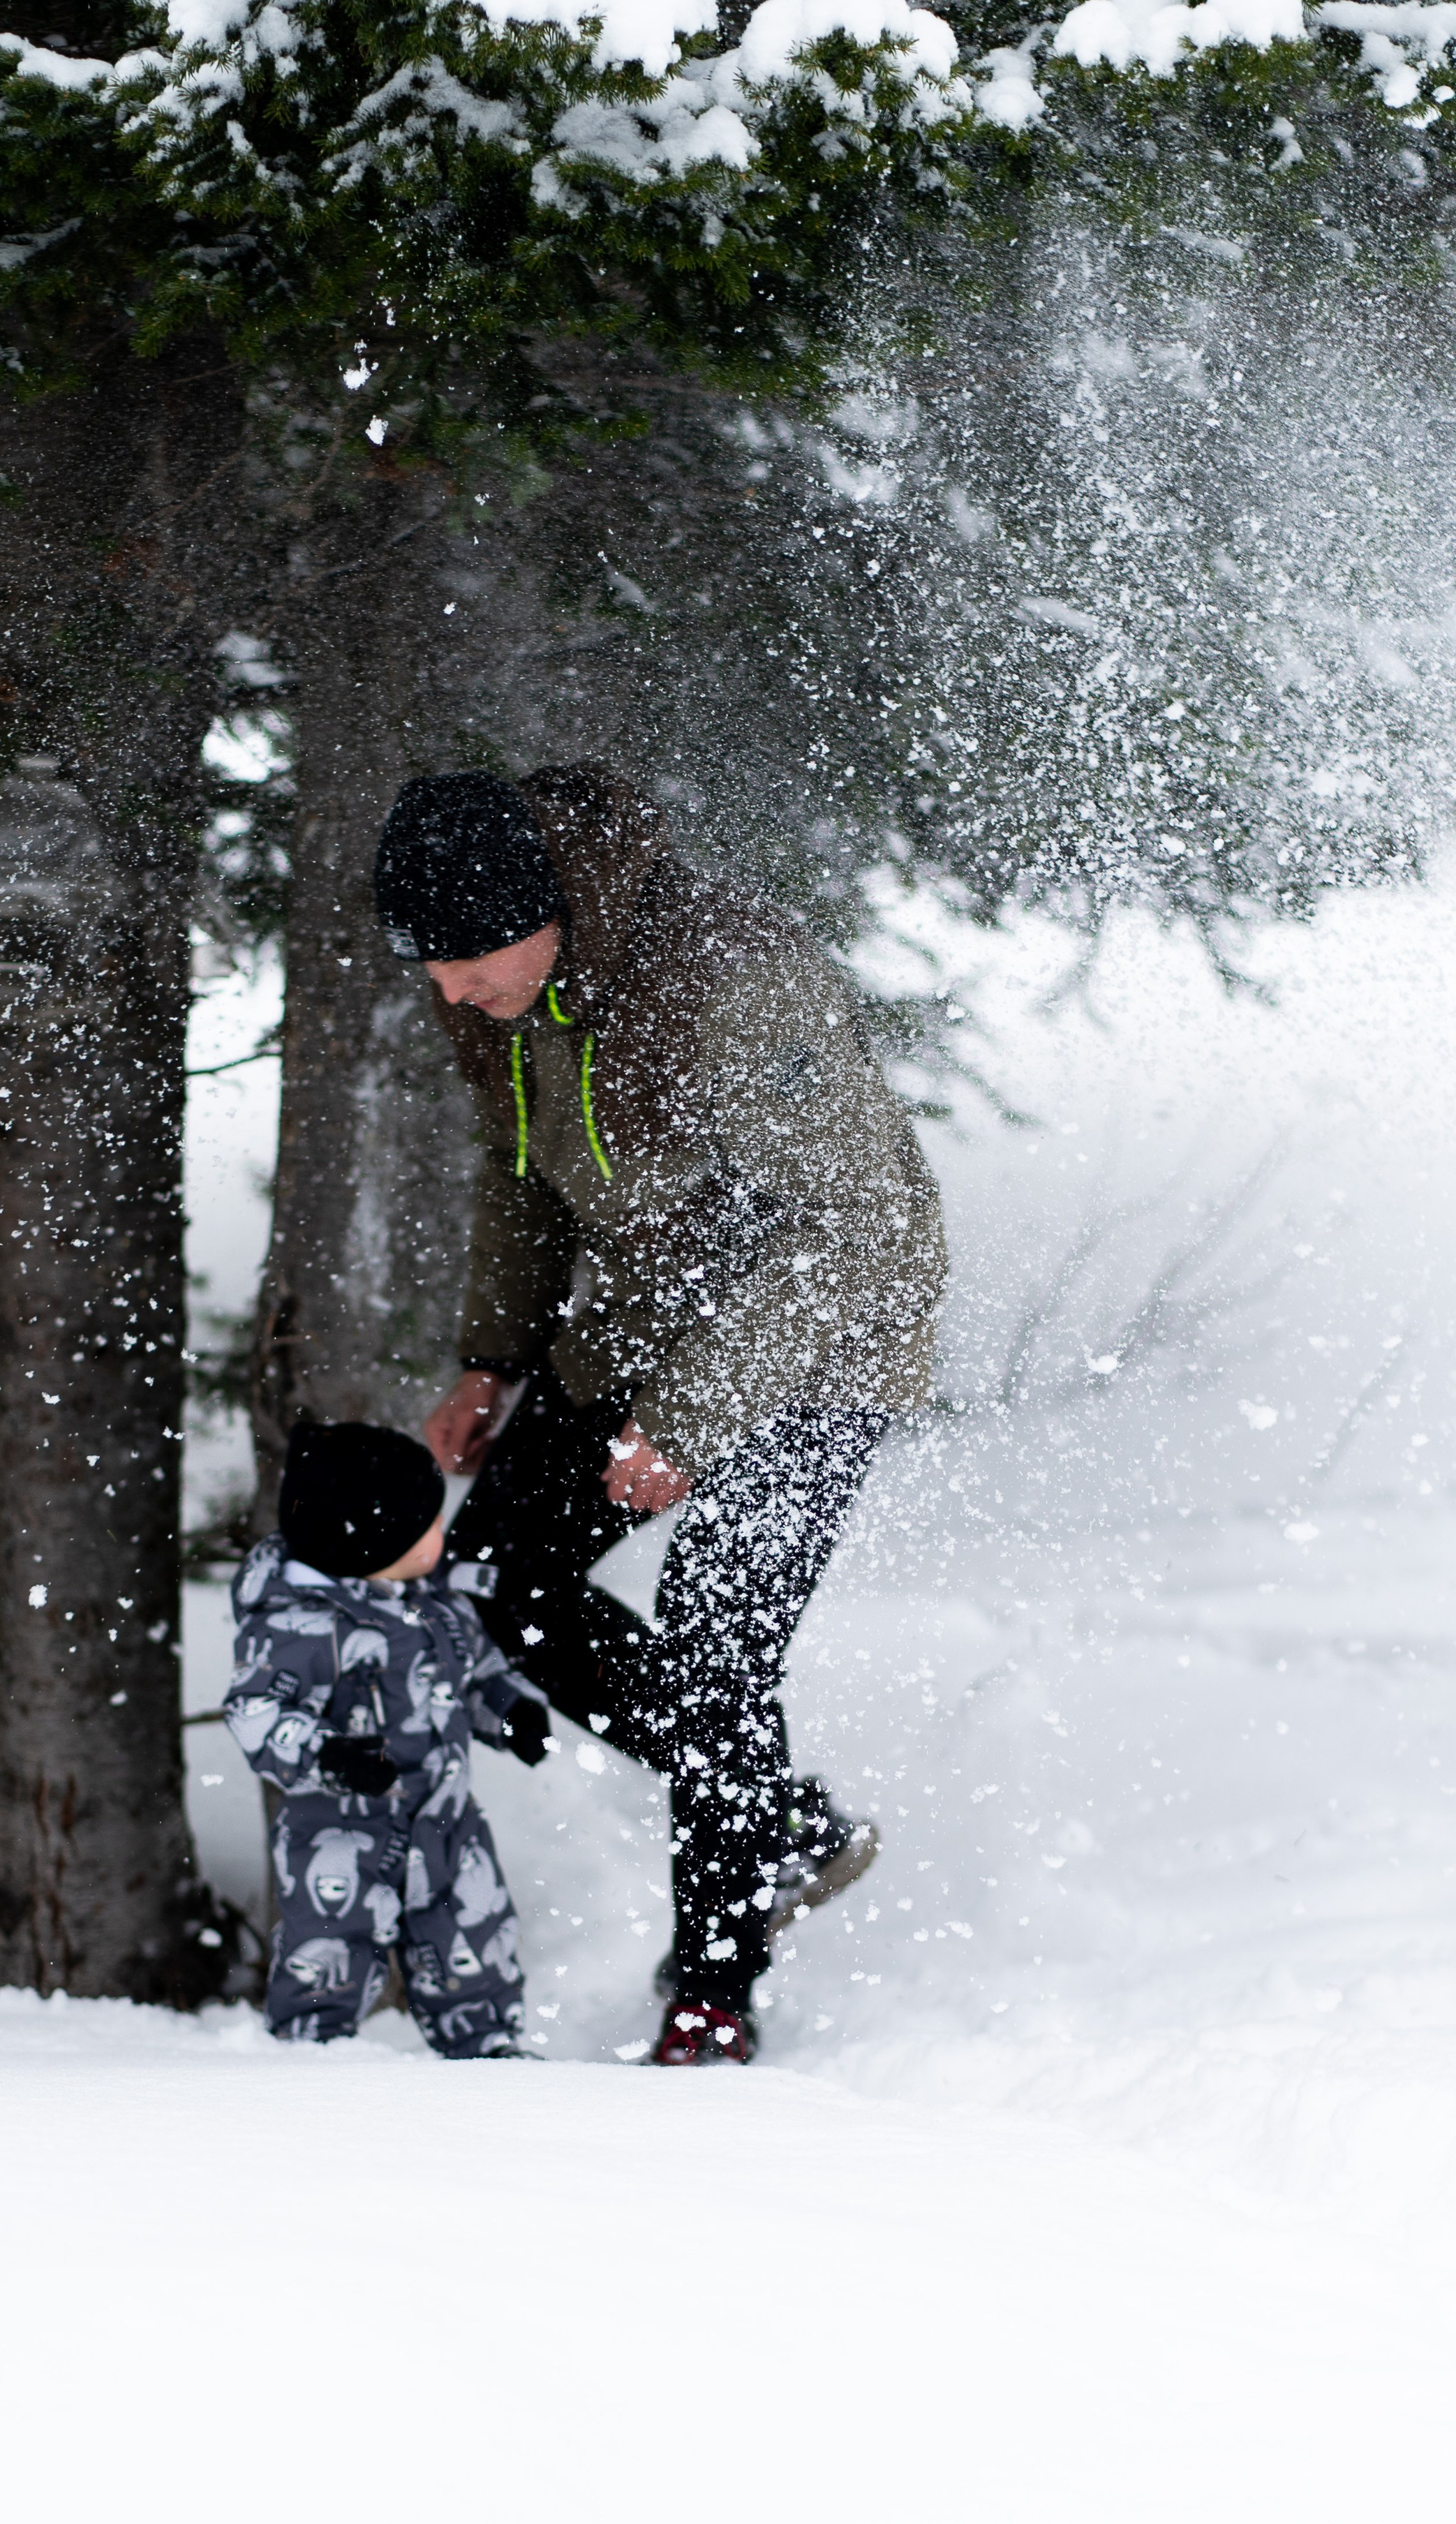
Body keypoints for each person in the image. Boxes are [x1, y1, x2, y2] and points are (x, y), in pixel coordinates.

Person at [374, 762, 948, 2065]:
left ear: (543, 910)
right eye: (427, 961)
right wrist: (490, 1360)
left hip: (822, 1338)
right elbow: (523, 1177)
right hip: (644, 1320)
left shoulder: (733, 984)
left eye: (465, 957)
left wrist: (691, 1422)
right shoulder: (509, 987)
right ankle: (782, 1822)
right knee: (503, 1578)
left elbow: (860, 1231)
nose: (447, 989)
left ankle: (713, 1995)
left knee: (716, 1641)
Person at [225, 1420, 552, 2058]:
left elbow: (475, 1668)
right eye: (426, 1524)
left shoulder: (434, 1605)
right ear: (372, 1537)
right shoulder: (299, 1625)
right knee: (331, 1941)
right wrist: (327, 1753)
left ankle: (484, 2043)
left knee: (471, 1933)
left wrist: (509, 1710)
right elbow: (256, 1708)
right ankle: (310, 2047)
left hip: (446, 1821)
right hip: (341, 1830)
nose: (440, 1533)